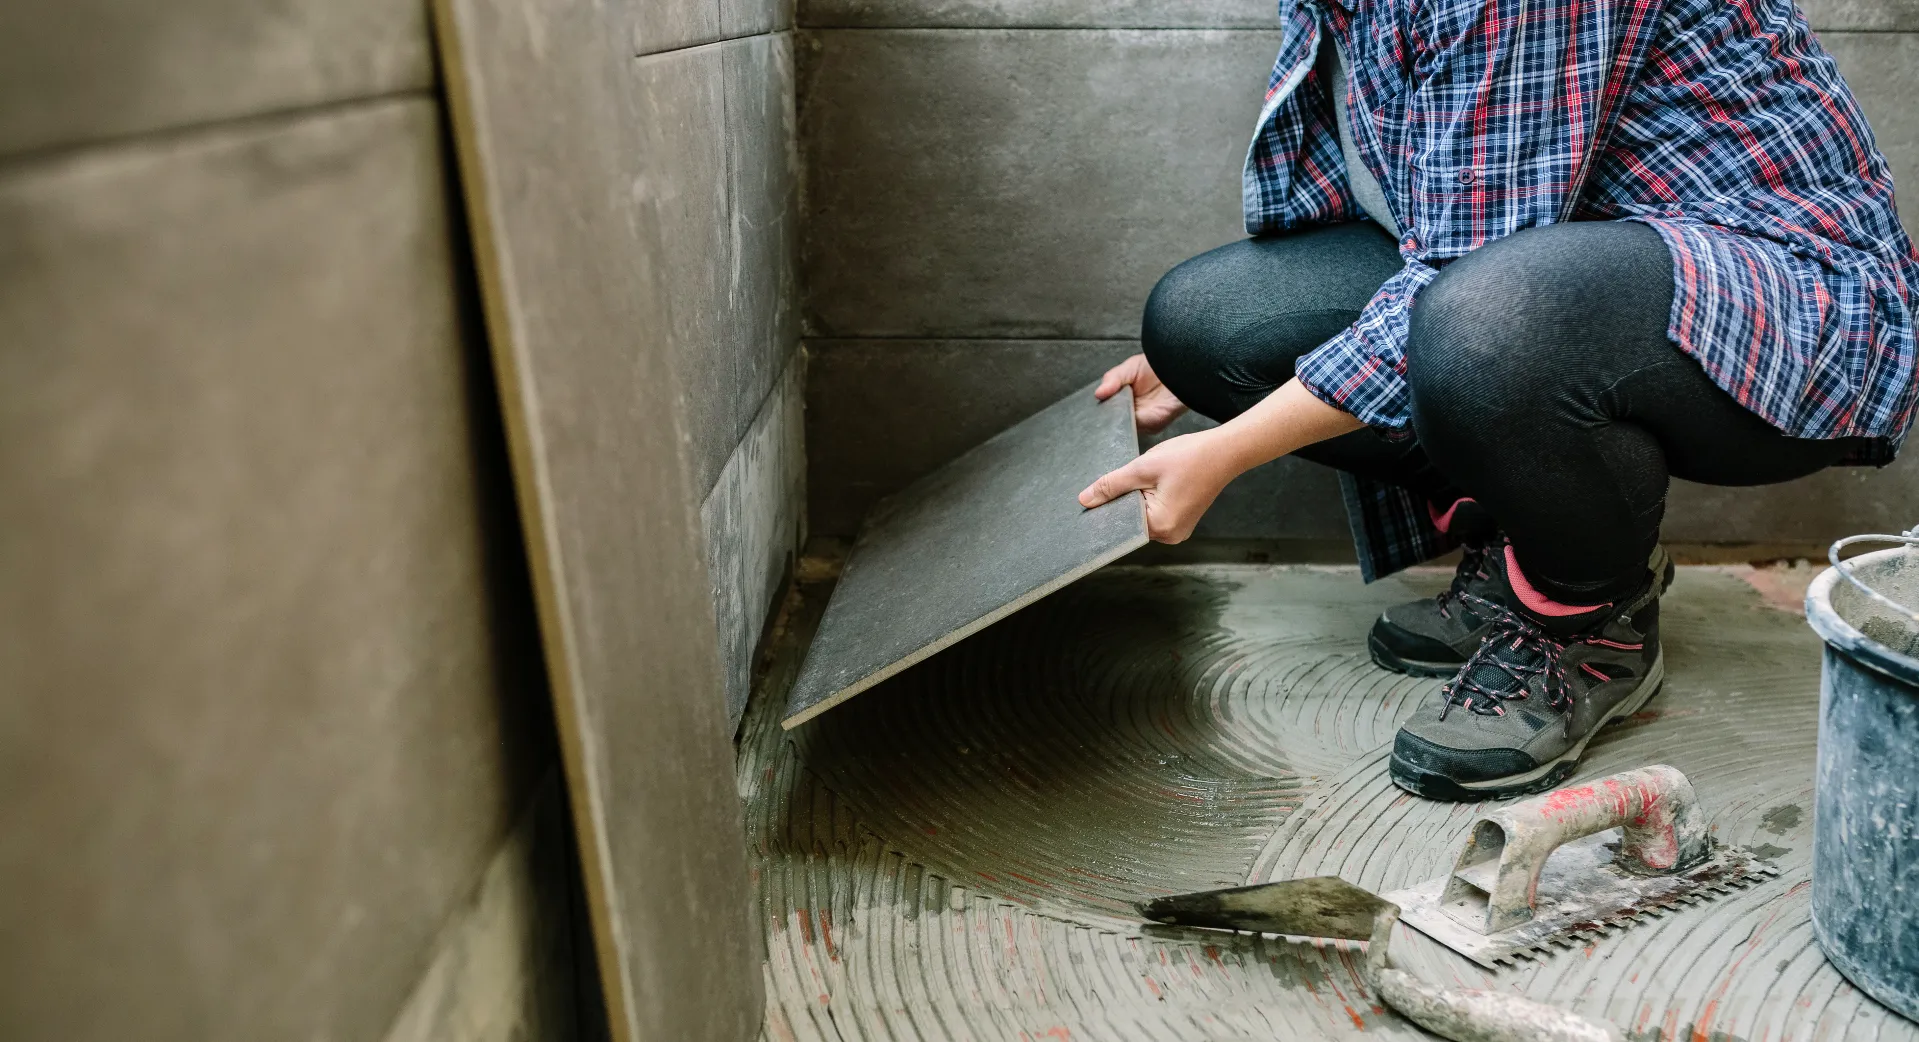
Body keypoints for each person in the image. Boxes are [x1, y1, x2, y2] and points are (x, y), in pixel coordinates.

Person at [1078, 0, 1917, 801]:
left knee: (1484, 327)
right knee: (1205, 325)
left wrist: (1227, 451)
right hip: (1554, 272)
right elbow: (1403, 206)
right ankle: (1541, 532)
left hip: (1785, 305)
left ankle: (1584, 617)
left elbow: (1463, 270)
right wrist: (1227, 365)